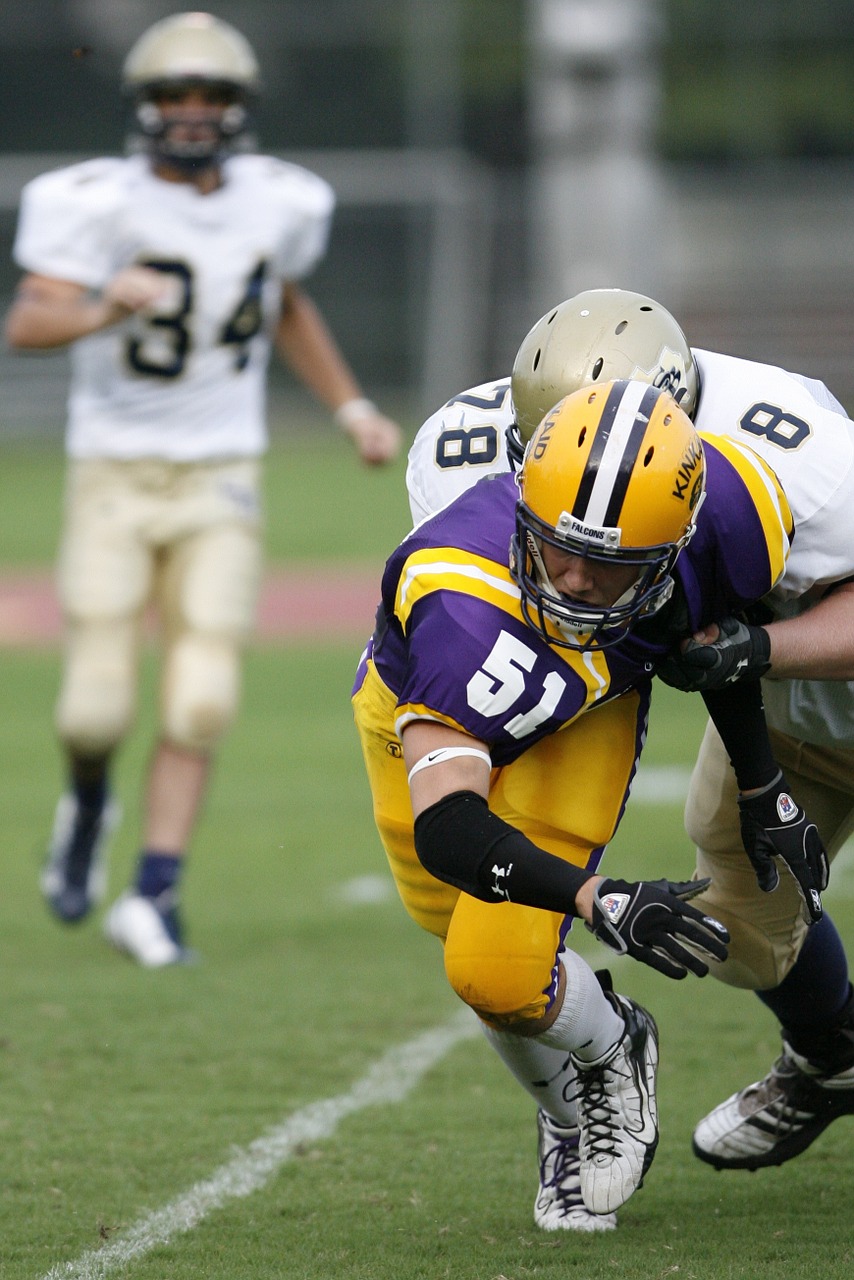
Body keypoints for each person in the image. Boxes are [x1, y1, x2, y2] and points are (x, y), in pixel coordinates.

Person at [352, 374, 818, 1231]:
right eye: (555, 548)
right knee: (459, 921)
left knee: (493, 970)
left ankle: (582, 1105)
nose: (569, 580)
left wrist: (762, 788)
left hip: (584, 715)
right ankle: (604, 1054)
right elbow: (452, 825)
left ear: (673, 540)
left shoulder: (732, 514)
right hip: (428, 713)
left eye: (608, 566)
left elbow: (709, 642)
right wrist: (597, 899)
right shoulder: (461, 600)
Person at [3, 11, 401, 968]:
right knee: (96, 705)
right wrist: (106, 304)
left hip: (222, 469)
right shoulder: (89, 198)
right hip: (114, 471)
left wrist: (350, 407)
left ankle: (155, 890)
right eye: (174, 96)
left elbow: (284, 302)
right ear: (145, 106)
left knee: (203, 695)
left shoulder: (281, 200)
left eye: (210, 96)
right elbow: (28, 321)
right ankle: (90, 802)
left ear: (238, 108)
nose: (191, 112)